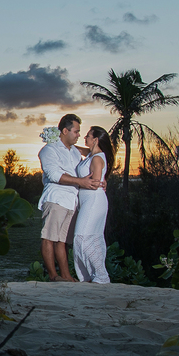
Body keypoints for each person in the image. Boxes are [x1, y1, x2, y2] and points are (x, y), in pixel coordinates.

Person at [37, 114, 104, 281]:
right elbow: (53, 174)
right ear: (65, 131)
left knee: (62, 241)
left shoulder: (75, 152)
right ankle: (53, 275)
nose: (79, 135)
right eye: (76, 131)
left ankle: (66, 275)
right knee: (49, 238)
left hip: (71, 200)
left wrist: (102, 179)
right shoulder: (49, 150)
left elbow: (96, 155)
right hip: (56, 198)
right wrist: (80, 181)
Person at [72, 126, 115, 283]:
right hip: (88, 201)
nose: (85, 137)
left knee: (81, 237)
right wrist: (62, 141)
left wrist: (77, 183)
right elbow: (79, 150)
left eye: (88, 136)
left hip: (94, 201)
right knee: (94, 238)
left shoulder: (97, 158)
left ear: (95, 140)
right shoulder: (91, 154)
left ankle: (101, 275)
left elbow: (95, 183)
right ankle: (93, 276)